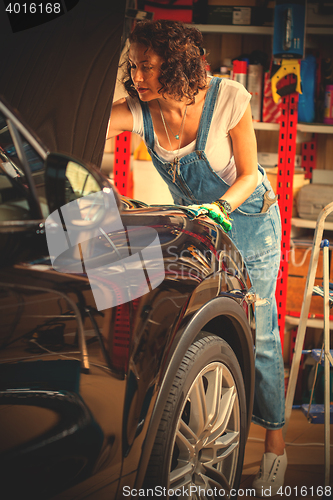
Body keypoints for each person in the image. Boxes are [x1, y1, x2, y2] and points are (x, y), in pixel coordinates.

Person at [107, 19, 287, 496]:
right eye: (133, 65)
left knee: (260, 332)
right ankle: (214, 430)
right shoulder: (139, 110)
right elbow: (87, 126)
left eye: (147, 66)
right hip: (201, 226)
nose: (137, 75)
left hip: (248, 221)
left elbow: (250, 174)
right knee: (202, 326)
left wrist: (221, 207)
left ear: (176, 64)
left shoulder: (226, 97)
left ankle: (275, 448)